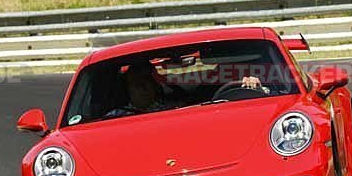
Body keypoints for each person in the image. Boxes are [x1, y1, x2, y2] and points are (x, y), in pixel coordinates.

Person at [106, 63, 264, 117]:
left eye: (147, 81)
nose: (143, 88)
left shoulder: (177, 108)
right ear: (127, 89)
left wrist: (255, 88)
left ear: (156, 86)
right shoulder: (111, 119)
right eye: (136, 84)